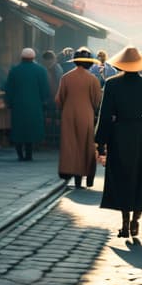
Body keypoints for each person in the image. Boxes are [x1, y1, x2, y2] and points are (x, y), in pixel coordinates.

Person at [95, 46, 142, 243]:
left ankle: (124, 221)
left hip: (119, 133)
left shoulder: (111, 84)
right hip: (139, 135)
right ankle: (135, 220)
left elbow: (105, 115)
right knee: (141, 177)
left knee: (122, 177)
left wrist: (101, 143)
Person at [56, 48, 103, 188]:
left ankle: (71, 174)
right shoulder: (93, 79)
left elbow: (59, 99)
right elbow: (97, 100)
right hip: (86, 115)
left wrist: (65, 108)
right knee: (86, 146)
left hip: (68, 115)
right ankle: (87, 177)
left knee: (70, 145)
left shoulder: (66, 77)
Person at [4, 47, 49, 161]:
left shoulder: (14, 70)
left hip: (18, 105)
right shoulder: (41, 70)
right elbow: (44, 88)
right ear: (33, 57)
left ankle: (20, 154)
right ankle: (29, 155)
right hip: (35, 105)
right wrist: (44, 101)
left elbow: (9, 88)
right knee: (31, 130)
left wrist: (8, 102)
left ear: (21, 57)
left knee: (18, 130)